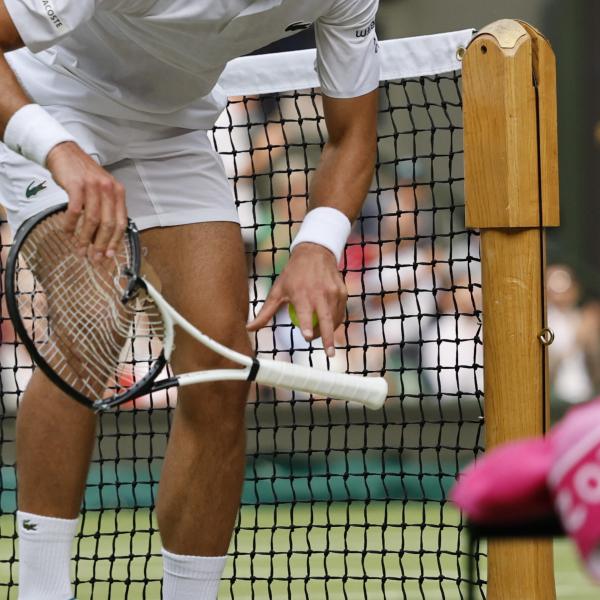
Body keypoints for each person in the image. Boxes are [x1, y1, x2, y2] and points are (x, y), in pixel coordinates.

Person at [0, 1, 380, 598]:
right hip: (49, 104)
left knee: (222, 372)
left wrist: (318, 243)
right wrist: (56, 147)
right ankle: (42, 592)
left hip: (172, 129)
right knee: (94, 324)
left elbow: (353, 131)